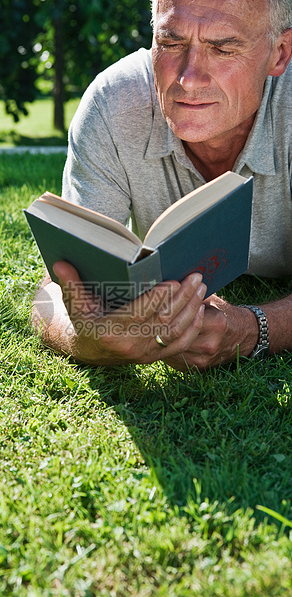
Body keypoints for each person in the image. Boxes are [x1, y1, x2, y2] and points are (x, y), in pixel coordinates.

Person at [32, 0, 292, 370]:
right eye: (171, 44)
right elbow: (51, 292)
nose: (188, 78)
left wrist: (253, 329)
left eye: (223, 48)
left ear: (279, 53)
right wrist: (83, 338)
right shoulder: (112, 104)